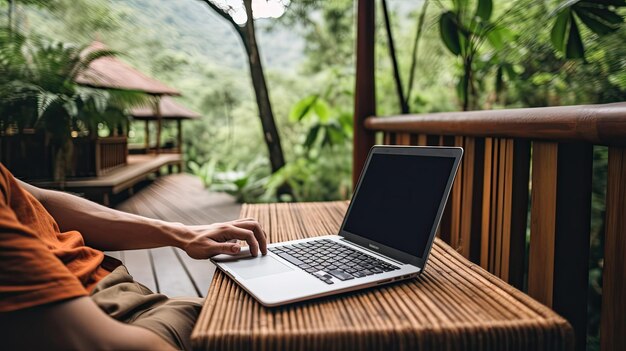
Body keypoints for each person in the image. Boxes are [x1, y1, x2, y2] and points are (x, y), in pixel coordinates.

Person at [0, 163, 267, 350]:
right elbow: (98, 344)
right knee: (269, 326)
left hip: (126, 296)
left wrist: (183, 234)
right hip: (104, 316)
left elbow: (39, 200)